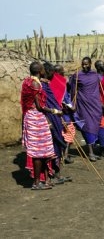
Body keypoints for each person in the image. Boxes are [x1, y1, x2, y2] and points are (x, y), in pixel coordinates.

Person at [21, 61, 59, 190]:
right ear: (40, 71)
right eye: (42, 69)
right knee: (39, 152)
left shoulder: (27, 81)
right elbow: (39, 106)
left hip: (32, 118)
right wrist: (54, 111)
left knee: (45, 150)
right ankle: (37, 183)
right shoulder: (35, 84)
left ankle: (45, 180)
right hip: (35, 118)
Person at [41, 62, 70, 184]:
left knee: (58, 146)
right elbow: (41, 105)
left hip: (56, 118)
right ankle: (51, 175)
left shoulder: (48, 84)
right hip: (48, 119)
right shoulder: (41, 85)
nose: (54, 74)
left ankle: (57, 173)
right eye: (52, 72)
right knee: (51, 146)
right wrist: (52, 114)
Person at [70, 57, 103, 162]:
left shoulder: (95, 75)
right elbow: (72, 90)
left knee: (95, 125)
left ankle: (93, 149)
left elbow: (102, 83)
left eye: (86, 64)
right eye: (83, 64)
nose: (84, 66)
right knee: (88, 126)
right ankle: (90, 153)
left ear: (90, 64)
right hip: (83, 104)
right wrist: (73, 104)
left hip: (95, 104)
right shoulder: (77, 76)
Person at [54, 64, 75, 164]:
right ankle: (65, 155)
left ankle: (61, 155)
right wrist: (71, 107)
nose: (63, 73)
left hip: (55, 113)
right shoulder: (61, 83)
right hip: (63, 113)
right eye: (62, 71)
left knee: (62, 134)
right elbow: (65, 99)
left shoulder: (51, 82)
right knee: (69, 132)